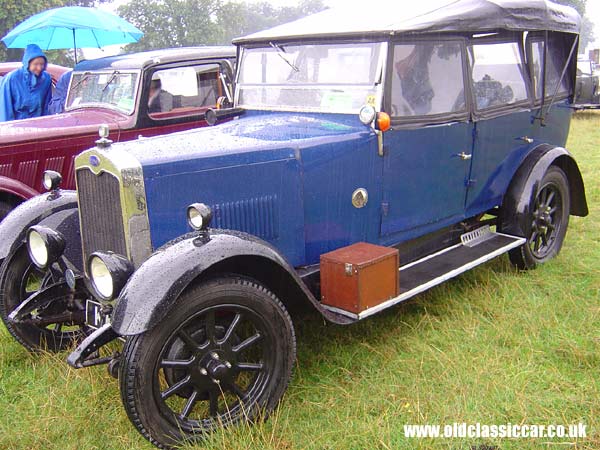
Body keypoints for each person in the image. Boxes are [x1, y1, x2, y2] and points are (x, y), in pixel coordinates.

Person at [0, 44, 52, 122]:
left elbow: (47, 106)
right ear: (28, 63)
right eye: (36, 64)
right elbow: (5, 109)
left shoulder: (46, 79)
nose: (39, 68)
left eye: (42, 64)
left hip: (39, 126)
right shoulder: (12, 79)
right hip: (17, 127)